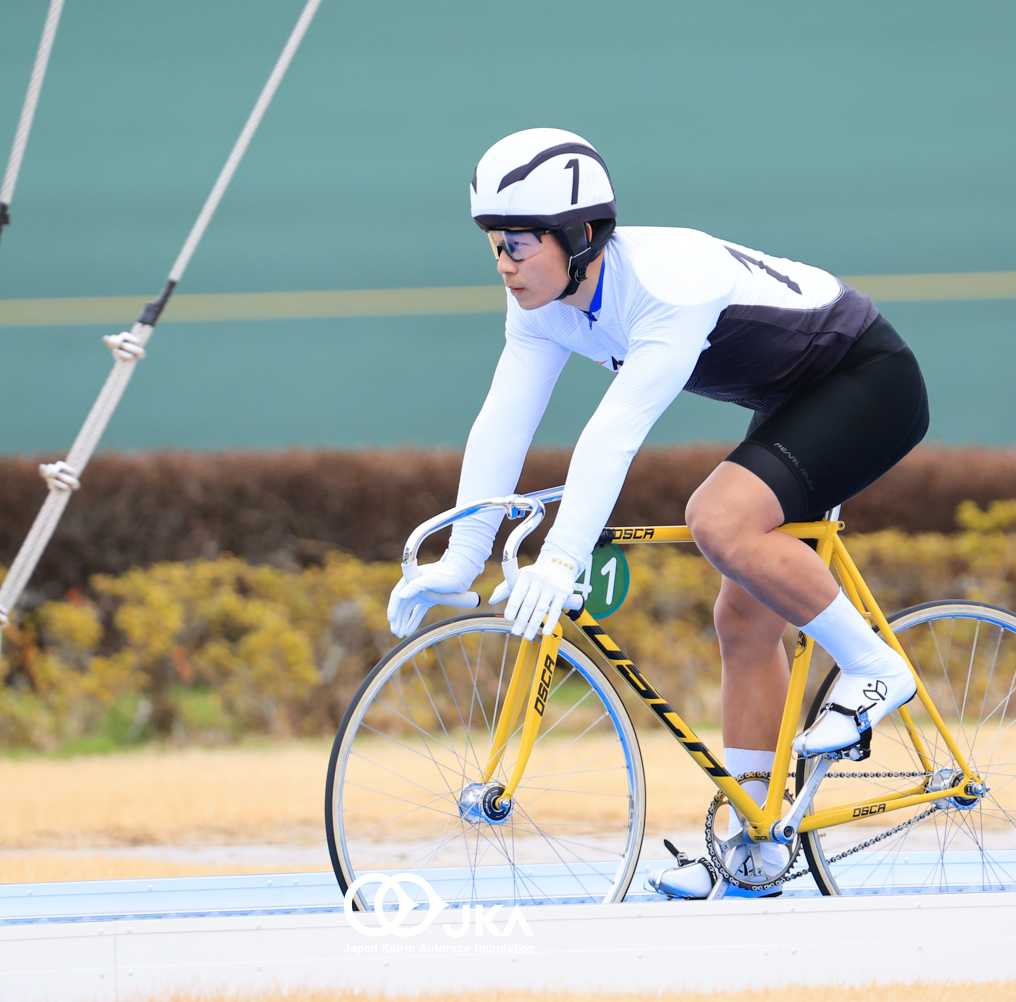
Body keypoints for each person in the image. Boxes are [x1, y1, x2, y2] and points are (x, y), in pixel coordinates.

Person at [386, 127, 930, 899]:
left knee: (718, 518)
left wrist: (564, 557)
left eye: (516, 242)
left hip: (867, 379)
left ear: (579, 236)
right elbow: (503, 421)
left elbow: (614, 434)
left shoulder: (667, 285)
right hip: (794, 400)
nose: (503, 261)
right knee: (744, 617)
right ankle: (759, 841)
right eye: (493, 244)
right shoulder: (543, 304)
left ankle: (877, 668)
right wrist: (463, 554)